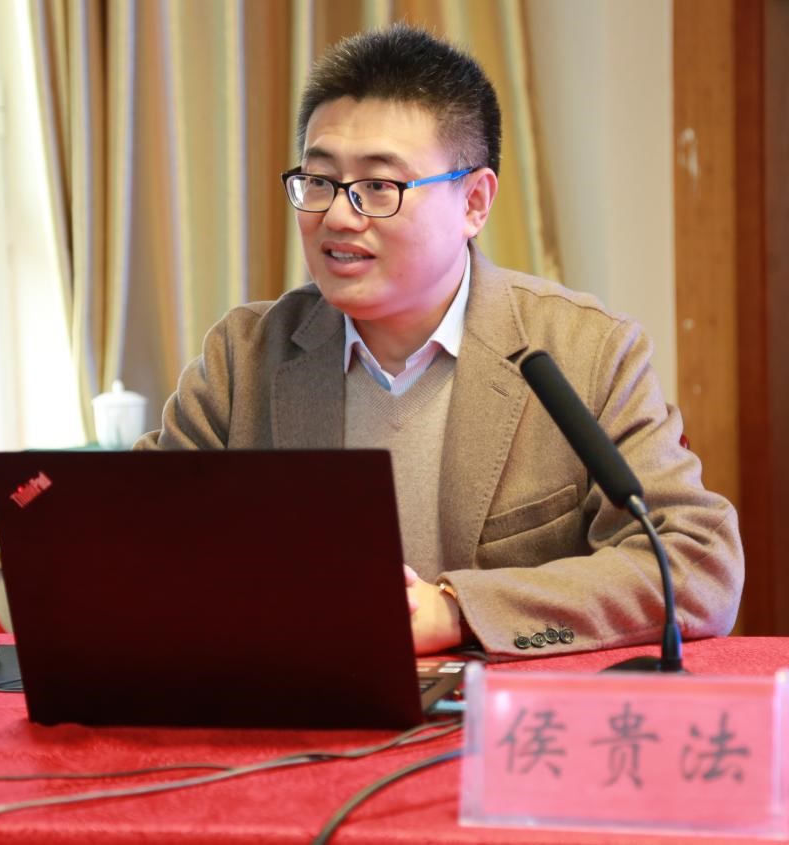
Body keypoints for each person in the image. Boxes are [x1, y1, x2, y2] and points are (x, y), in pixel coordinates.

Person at [136, 23, 743, 658]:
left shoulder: (584, 352)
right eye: (318, 181)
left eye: (378, 187)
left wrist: (461, 612)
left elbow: (696, 565)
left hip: (504, 712)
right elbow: (135, 539)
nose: (337, 216)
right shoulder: (244, 358)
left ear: (474, 202)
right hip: (302, 706)